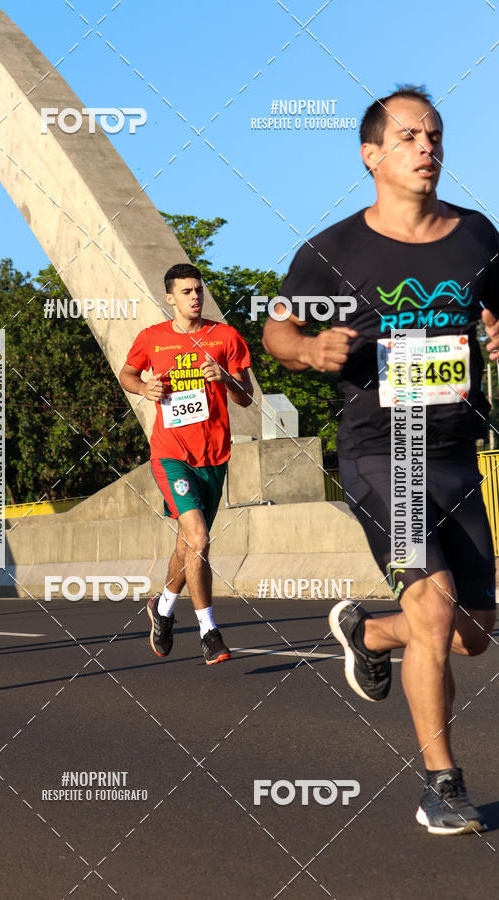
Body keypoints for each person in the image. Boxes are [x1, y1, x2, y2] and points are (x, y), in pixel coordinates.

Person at [262, 85, 498, 834]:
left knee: (473, 630)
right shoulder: (334, 250)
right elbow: (276, 331)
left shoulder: (478, 235)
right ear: (371, 155)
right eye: (408, 138)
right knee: (432, 612)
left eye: (434, 136)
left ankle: (367, 633)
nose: (427, 148)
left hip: (458, 450)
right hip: (379, 452)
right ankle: (442, 786)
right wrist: (306, 349)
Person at [119, 263, 253, 664]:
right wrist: (145, 387)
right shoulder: (152, 339)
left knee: (188, 543)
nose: (195, 297)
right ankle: (209, 631)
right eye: (187, 291)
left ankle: (161, 609)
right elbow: (127, 374)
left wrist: (225, 379)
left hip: (214, 457)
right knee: (198, 539)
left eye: (199, 290)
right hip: (170, 453)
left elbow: (247, 398)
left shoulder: (225, 337)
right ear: (170, 298)